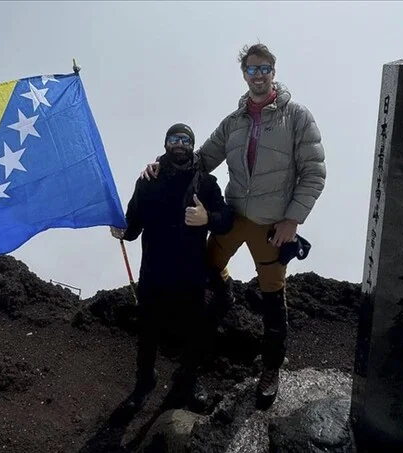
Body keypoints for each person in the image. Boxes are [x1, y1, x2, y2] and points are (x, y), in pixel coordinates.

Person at [141, 43, 326, 409]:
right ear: (244, 74)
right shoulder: (234, 121)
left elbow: (315, 173)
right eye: (251, 70)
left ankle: (270, 370)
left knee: (274, 298)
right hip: (233, 216)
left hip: (272, 225)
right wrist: (162, 164)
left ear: (273, 70)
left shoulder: (298, 117)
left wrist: (292, 220)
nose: (258, 75)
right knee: (206, 270)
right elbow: (202, 158)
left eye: (264, 69)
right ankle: (219, 305)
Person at [112, 123, 234, 412]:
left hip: (191, 274)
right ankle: (144, 383)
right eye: (173, 139)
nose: (179, 143)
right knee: (147, 332)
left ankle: (190, 381)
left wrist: (207, 218)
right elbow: (133, 226)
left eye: (185, 139)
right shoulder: (148, 180)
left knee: (195, 331)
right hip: (153, 272)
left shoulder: (205, 182)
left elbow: (226, 219)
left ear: (192, 145)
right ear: (165, 143)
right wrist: (121, 229)